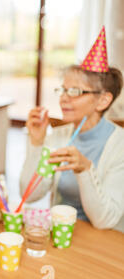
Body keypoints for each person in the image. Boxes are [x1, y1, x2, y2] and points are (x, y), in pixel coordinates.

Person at [20, 27, 124, 232]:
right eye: (63, 89)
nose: (63, 98)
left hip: (106, 242)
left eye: (75, 91)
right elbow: (29, 194)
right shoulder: (59, 136)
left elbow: (105, 221)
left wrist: (85, 169)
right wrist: (36, 143)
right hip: (62, 235)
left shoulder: (119, 145)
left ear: (103, 100)